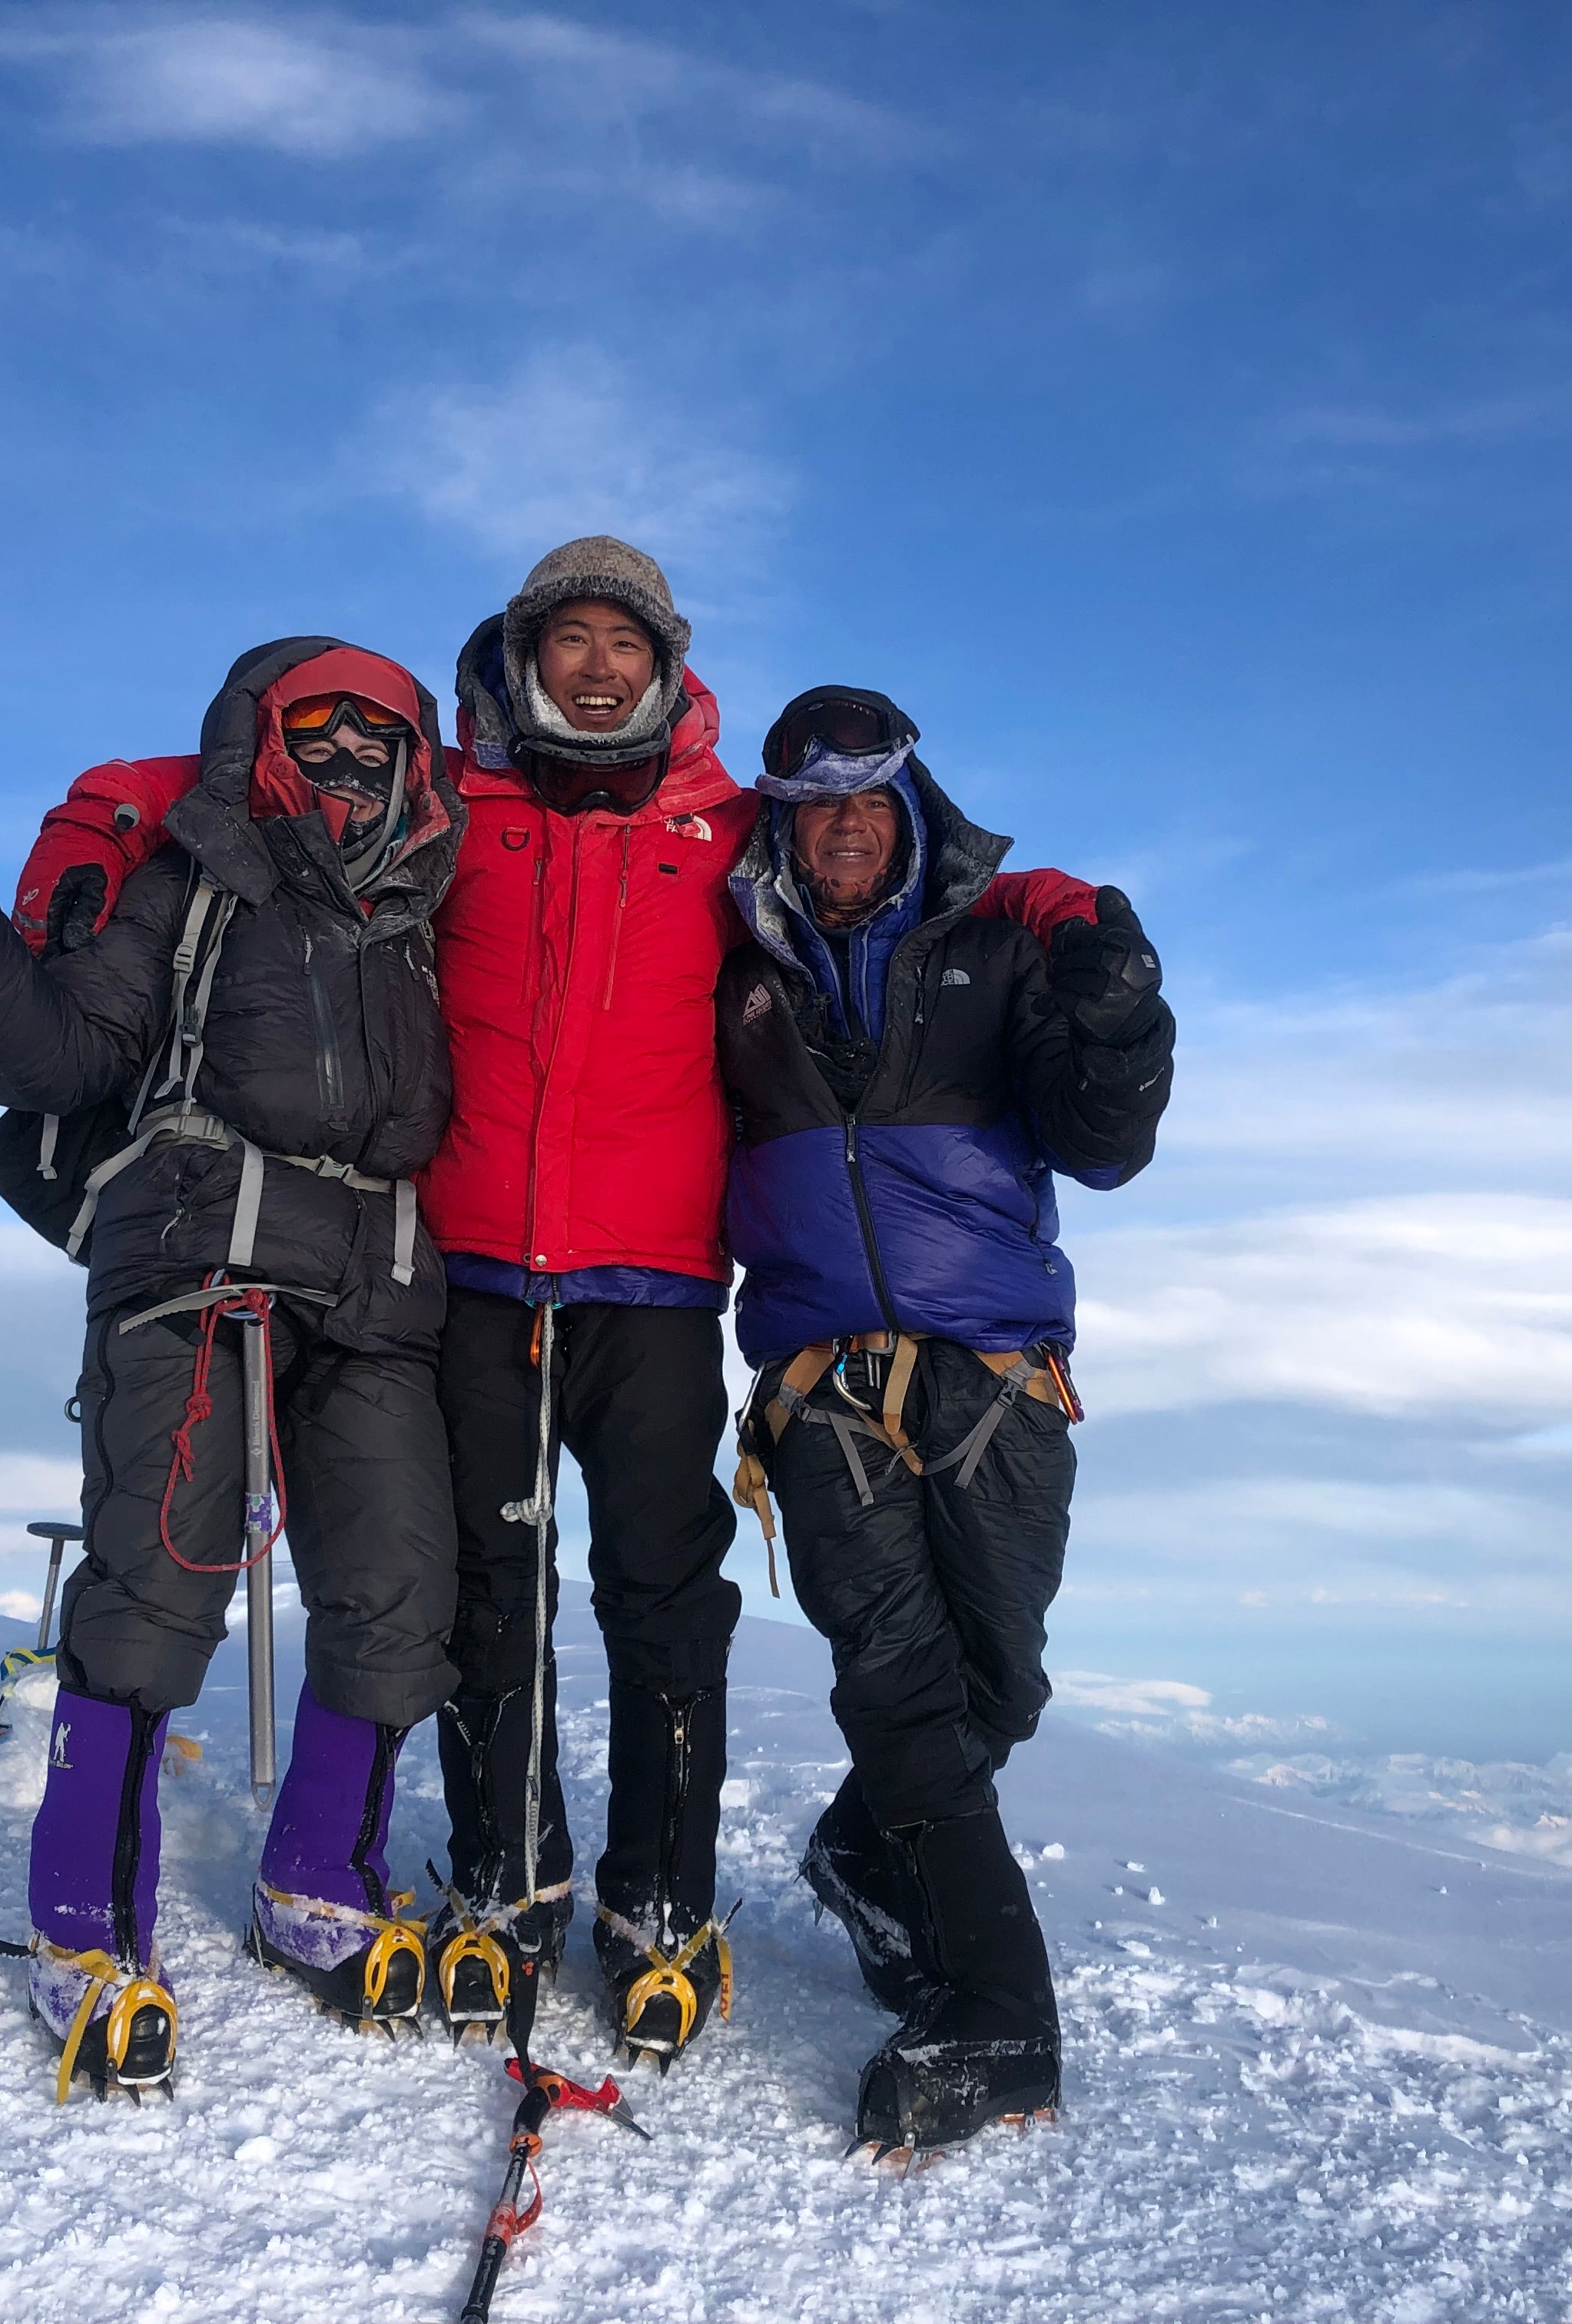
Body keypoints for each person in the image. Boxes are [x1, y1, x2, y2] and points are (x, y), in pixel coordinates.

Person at [420, 540, 1106, 2067]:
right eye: (568, 640)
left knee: (669, 1607)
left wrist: (1051, 898)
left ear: (666, 663)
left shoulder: (732, 829)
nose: (595, 666)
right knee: (488, 1588)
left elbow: (901, 883)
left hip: (658, 1282)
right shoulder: (450, 819)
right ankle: (500, 1878)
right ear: (524, 657)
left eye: (623, 641)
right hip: (475, 1269)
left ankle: (660, 1902)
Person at [0, 638, 466, 2097]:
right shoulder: (195, 879)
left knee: (399, 1588)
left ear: (418, 761)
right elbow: (65, 1051)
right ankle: (84, 1922)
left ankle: (317, 1887)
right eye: (318, 731)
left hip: (381, 1279)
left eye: (379, 737)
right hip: (200, 1253)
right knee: (155, 1583)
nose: (350, 758)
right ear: (266, 740)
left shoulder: (426, 915)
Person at [716, 684, 1173, 2156]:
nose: (843, 828)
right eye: (815, 806)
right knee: (903, 1689)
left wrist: (1119, 1025)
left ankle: (863, 1851)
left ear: (907, 803)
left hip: (998, 1375)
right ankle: (999, 2017)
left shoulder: (1004, 947)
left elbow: (1103, 1151)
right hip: (819, 1378)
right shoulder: (731, 967)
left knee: (1000, 1687)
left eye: (868, 800)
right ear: (782, 820)